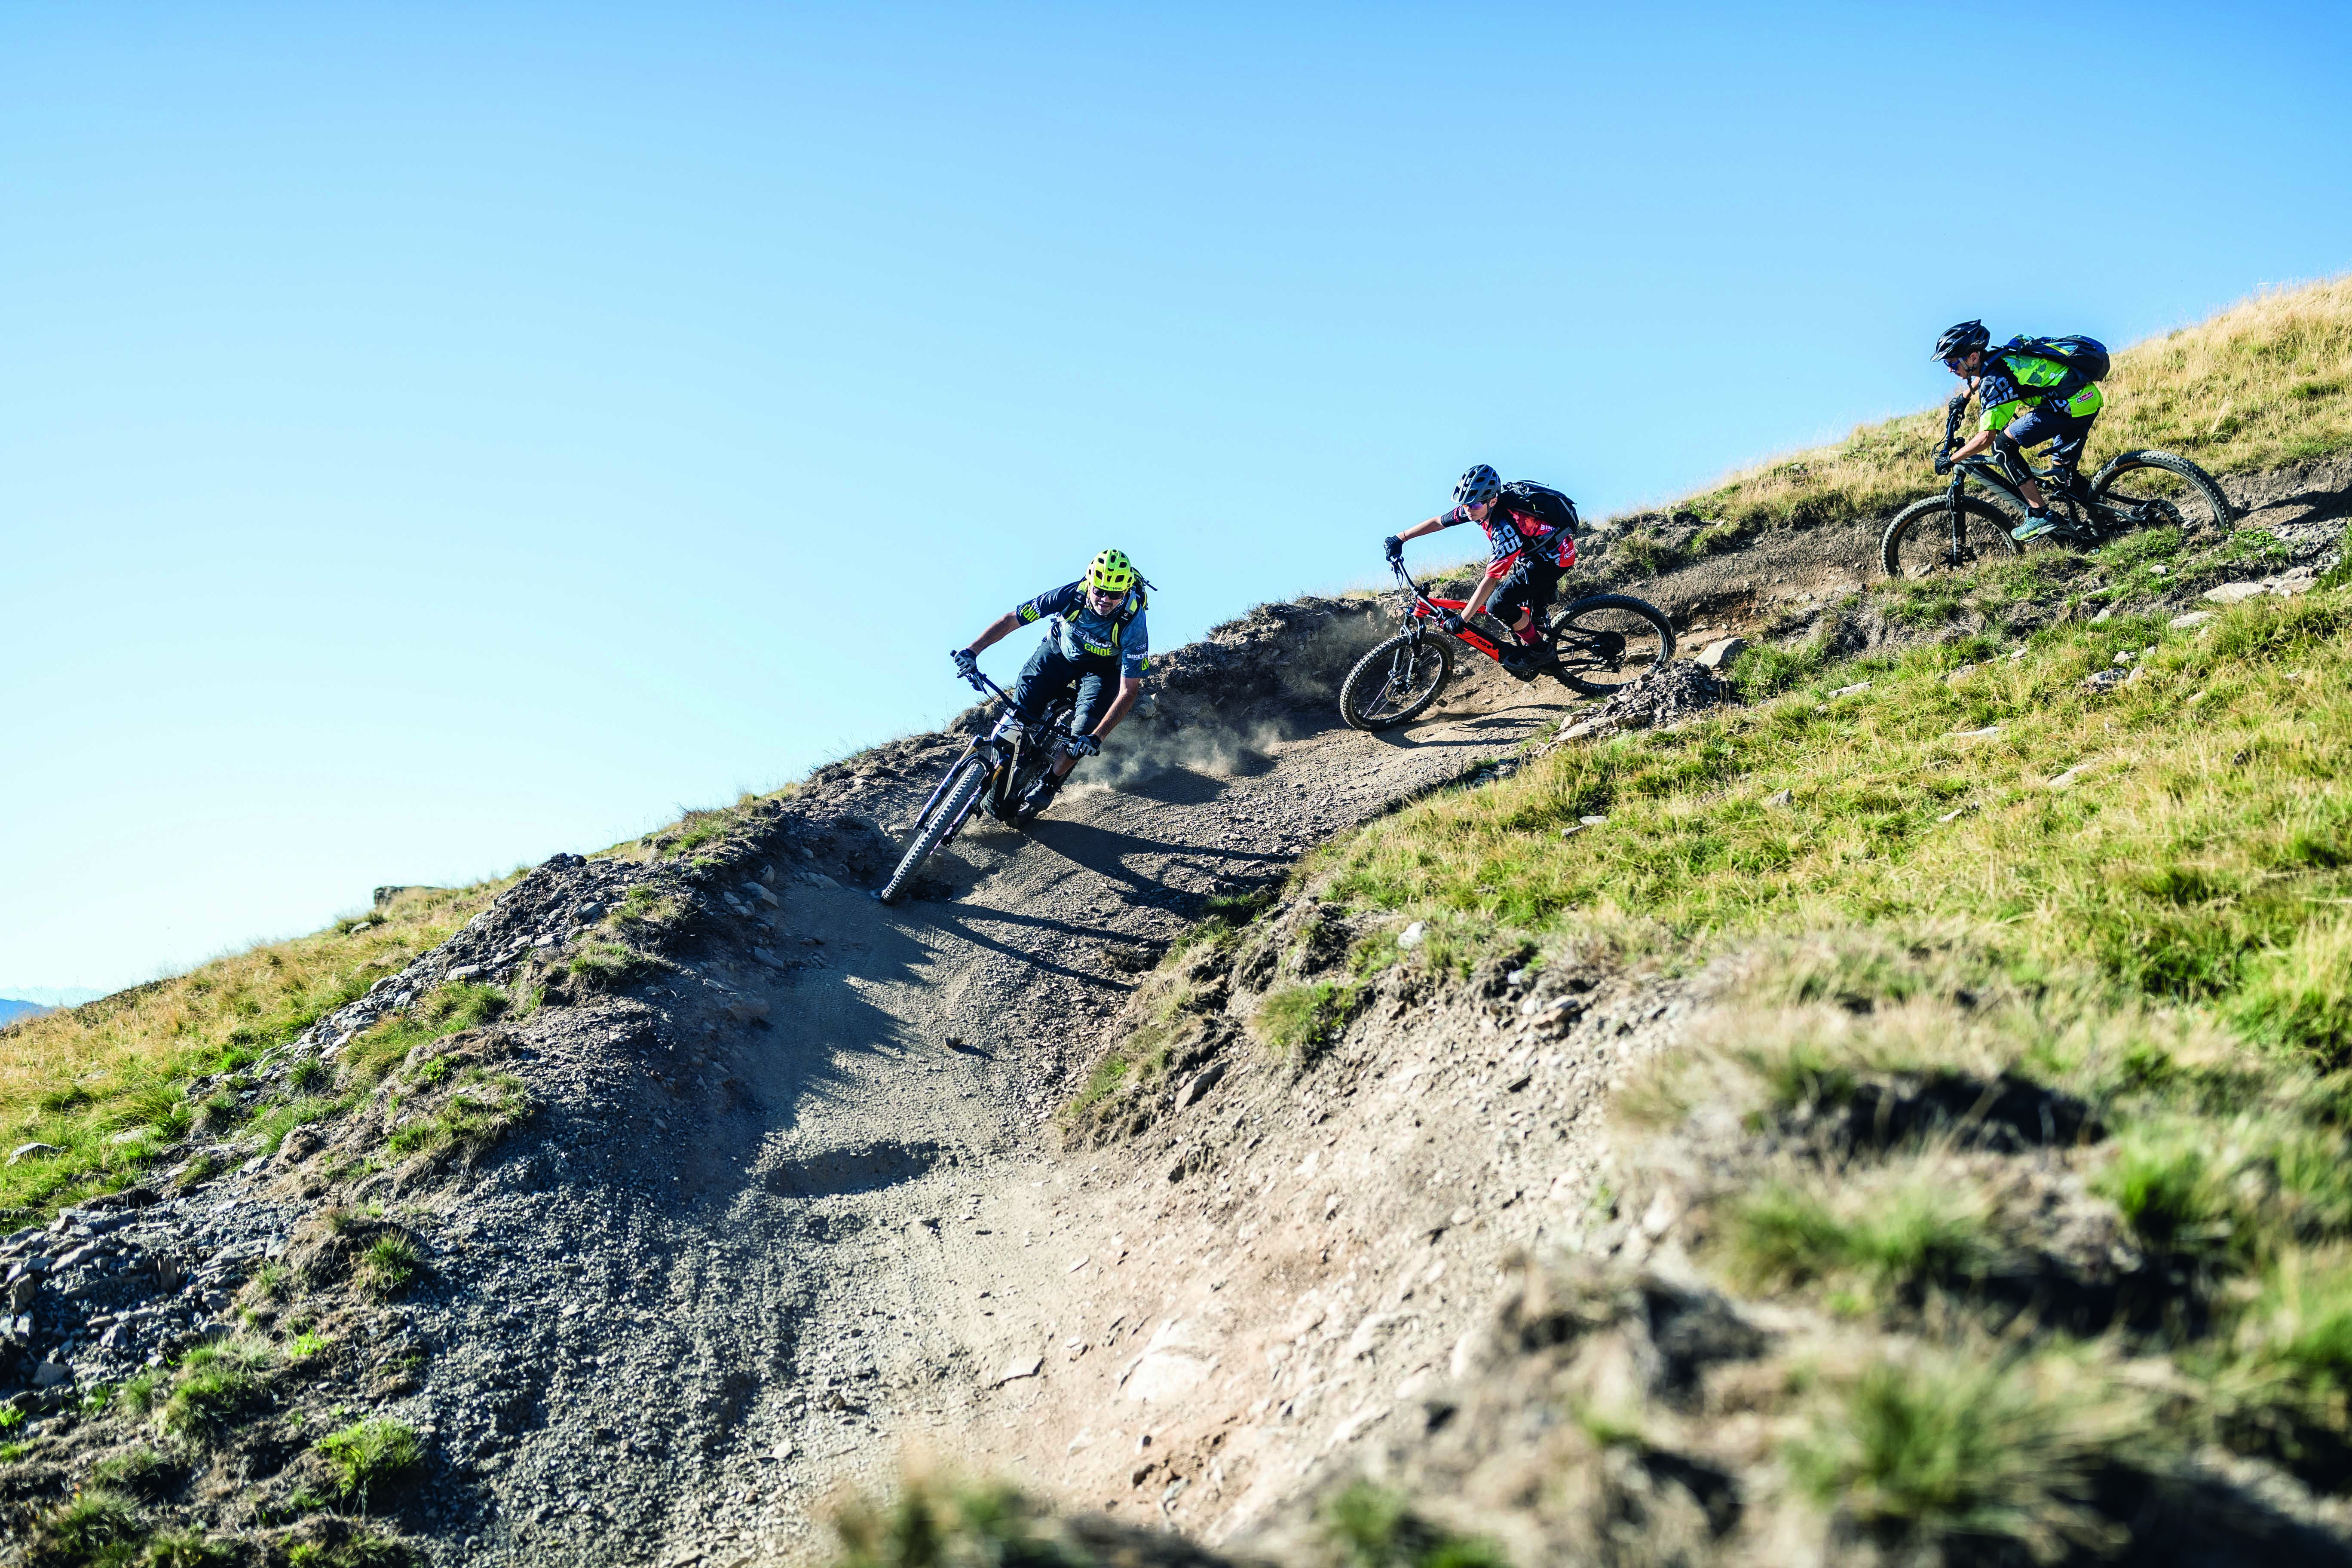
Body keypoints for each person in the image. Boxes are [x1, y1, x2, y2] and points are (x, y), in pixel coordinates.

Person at [951, 548, 1151, 819]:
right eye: (1100, 591)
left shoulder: (1134, 624)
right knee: (1018, 714)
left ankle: (1051, 781)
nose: (1105, 599)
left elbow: (1129, 691)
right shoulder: (1070, 595)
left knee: (1083, 733)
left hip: (1103, 672)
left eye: (1115, 594)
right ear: (1090, 583)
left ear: (1125, 592)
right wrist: (972, 651)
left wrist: (1097, 737)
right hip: (1059, 653)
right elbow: (1013, 620)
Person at [1383, 465, 1580, 676]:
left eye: (1475, 503)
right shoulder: (1477, 508)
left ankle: (1541, 652)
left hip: (1553, 559)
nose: (1469, 509)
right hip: (1534, 552)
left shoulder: (1506, 529)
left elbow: (1491, 579)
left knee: (1499, 604)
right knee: (1527, 612)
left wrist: (1462, 620)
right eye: (1466, 503)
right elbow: (1438, 523)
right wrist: (1400, 538)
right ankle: (1537, 628)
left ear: (1493, 501)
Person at [1932, 320, 2106, 542]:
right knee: (2062, 472)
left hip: (2067, 406)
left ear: (1973, 358)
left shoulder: (1994, 382)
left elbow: (1986, 437)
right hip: (2085, 399)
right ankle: (2107, 520)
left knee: (2002, 446)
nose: (1949, 369)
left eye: (1953, 363)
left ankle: (2040, 514)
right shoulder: (2000, 356)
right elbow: (1995, 371)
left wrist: (1953, 459)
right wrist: (1965, 397)